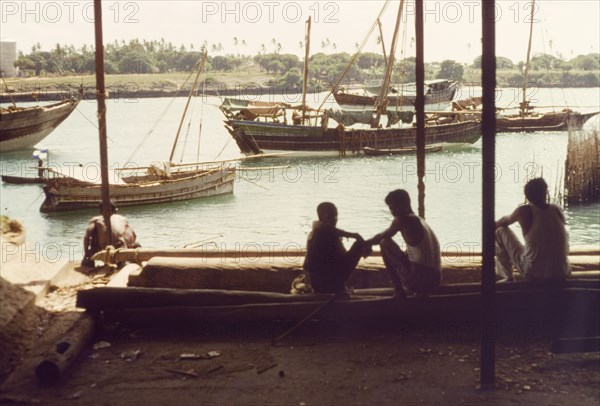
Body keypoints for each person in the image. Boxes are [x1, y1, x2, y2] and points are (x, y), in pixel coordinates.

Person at [365, 189, 441, 299]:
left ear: (405, 204)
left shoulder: (401, 219)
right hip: (435, 281)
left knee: (384, 242)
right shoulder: (421, 220)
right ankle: (421, 293)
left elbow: (381, 237)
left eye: (395, 207)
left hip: (418, 281)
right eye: (391, 209)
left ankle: (398, 291)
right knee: (407, 252)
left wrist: (365, 244)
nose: (393, 212)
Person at [495, 177, 570, 282]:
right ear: (546, 193)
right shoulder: (557, 209)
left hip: (534, 274)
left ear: (527, 196)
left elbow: (503, 222)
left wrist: (489, 227)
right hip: (562, 273)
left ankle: (508, 278)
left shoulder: (523, 211)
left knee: (499, 231)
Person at [303, 202, 366, 295]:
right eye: (333, 216)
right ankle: (338, 286)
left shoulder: (314, 233)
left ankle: (339, 285)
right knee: (359, 244)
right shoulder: (324, 231)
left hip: (318, 283)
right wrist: (356, 236)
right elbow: (328, 230)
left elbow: (305, 265)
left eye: (336, 216)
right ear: (324, 216)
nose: (335, 220)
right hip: (329, 282)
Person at [82, 201, 140, 267]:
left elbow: (86, 237)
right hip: (121, 247)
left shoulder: (96, 219)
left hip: (105, 249)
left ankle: (89, 261)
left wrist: (86, 252)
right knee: (136, 243)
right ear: (115, 210)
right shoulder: (123, 219)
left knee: (94, 234)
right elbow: (134, 235)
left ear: (100, 210)